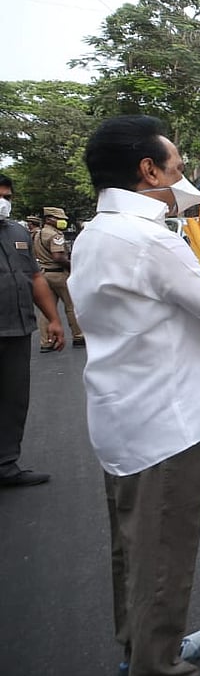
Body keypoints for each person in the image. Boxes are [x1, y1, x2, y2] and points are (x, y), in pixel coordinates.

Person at [68, 115, 200, 676]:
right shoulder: (150, 240)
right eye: (176, 167)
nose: (185, 178)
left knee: (136, 552)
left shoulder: (99, 233)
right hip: (166, 426)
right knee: (163, 557)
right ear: (148, 171)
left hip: (128, 417)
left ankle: (146, 652)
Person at [0, 174, 64, 488]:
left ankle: (6, 464)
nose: (4, 203)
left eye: (7, 196)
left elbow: (35, 278)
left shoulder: (17, 232)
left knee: (13, 399)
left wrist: (54, 319)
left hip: (17, 330)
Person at [31, 205, 85, 351]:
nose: (63, 222)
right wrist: (73, 267)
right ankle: (78, 336)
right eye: (60, 219)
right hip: (59, 275)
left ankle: (47, 341)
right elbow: (58, 257)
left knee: (47, 309)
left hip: (44, 274)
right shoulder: (55, 235)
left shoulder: (37, 234)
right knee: (71, 306)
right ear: (49, 219)